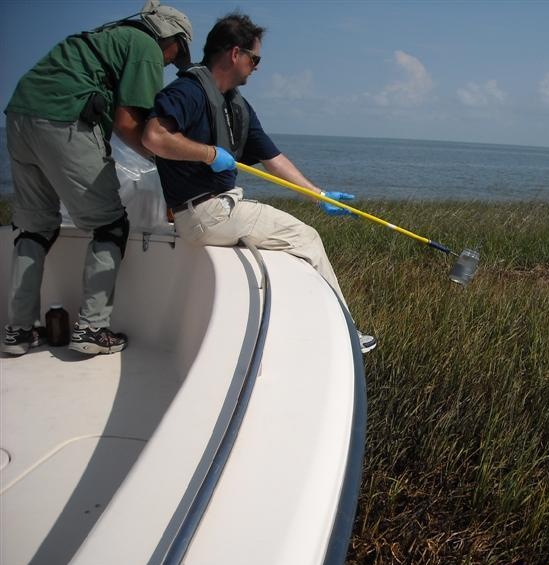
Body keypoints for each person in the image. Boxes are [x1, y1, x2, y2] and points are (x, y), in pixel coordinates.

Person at [142, 13, 377, 354]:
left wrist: (320, 196)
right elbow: (153, 136)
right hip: (206, 213)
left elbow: (274, 159)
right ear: (235, 54)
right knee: (307, 238)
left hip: (217, 211)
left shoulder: (236, 105)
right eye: (255, 58)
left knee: (291, 235)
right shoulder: (189, 92)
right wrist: (209, 154)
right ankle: (347, 335)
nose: (257, 67)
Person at [2, 0, 193, 356]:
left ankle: (18, 331)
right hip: (64, 120)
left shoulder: (105, 37)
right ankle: (92, 328)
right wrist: (170, 162)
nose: (169, 62)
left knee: (34, 227)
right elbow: (128, 125)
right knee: (110, 224)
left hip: (18, 116)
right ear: (170, 37)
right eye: (176, 53)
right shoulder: (145, 46)